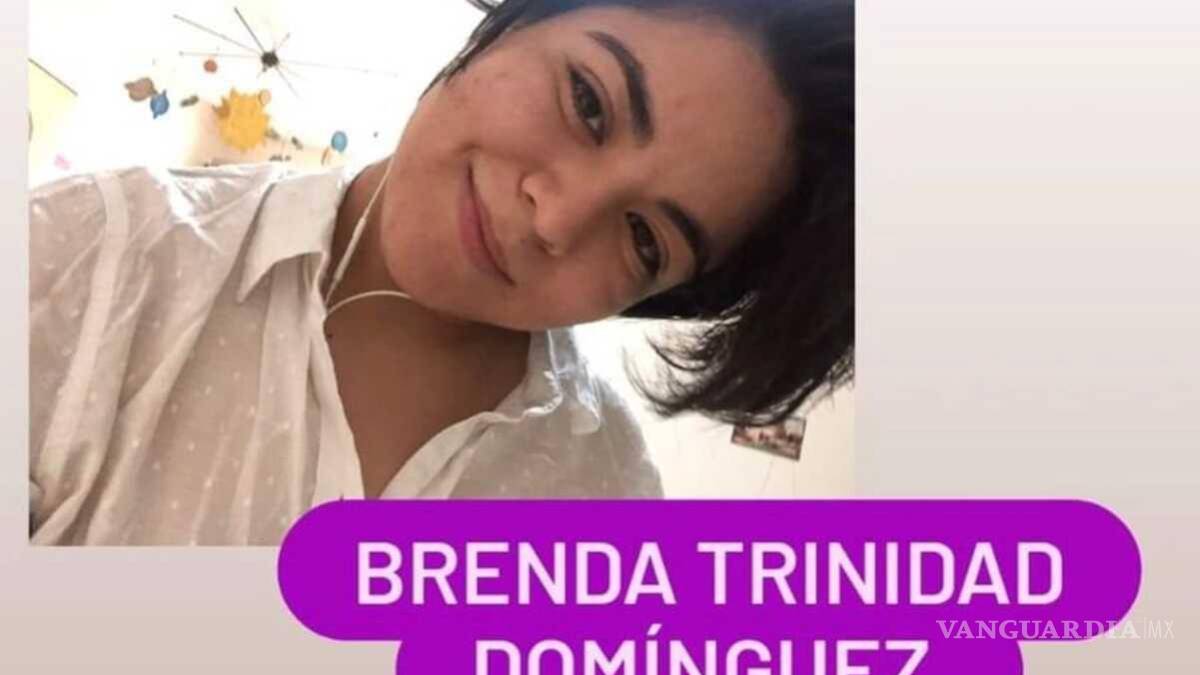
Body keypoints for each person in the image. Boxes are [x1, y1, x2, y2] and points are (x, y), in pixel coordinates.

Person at [28, 0, 854, 545]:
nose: (557, 217)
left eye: (644, 239)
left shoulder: (604, 511)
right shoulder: (88, 259)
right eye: (589, 102)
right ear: (520, 18)